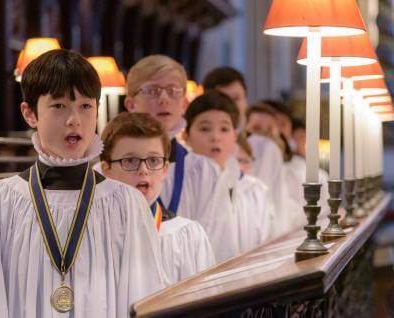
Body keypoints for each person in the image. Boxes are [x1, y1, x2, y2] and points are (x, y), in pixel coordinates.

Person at [0, 49, 168, 318]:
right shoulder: (1, 200)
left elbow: (145, 298)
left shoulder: (124, 203)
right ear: (30, 114)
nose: (74, 119)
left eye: (85, 106)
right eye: (59, 106)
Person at [124, 55, 239, 261]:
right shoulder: (109, 171)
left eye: (173, 91)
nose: (164, 99)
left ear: (184, 104)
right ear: (130, 104)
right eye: (152, 90)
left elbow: (219, 244)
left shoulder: (204, 171)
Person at [99, 112, 215, 283]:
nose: (144, 170)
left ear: (165, 169)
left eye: (153, 160)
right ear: (106, 169)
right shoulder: (94, 236)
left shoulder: (187, 237)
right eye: (130, 161)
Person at [203, 67, 299, 237]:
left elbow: (273, 207)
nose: (230, 105)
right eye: (223, 99)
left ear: (246, 101)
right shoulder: (201, 149)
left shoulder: (263, 148)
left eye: (236, 98)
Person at [184, 91, 274, 253]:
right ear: (186, 136)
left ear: (235, 136)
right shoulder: (177, 184)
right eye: (205, 129)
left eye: (224, 129)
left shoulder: (254, 190)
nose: (215, 137)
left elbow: (264, 246)